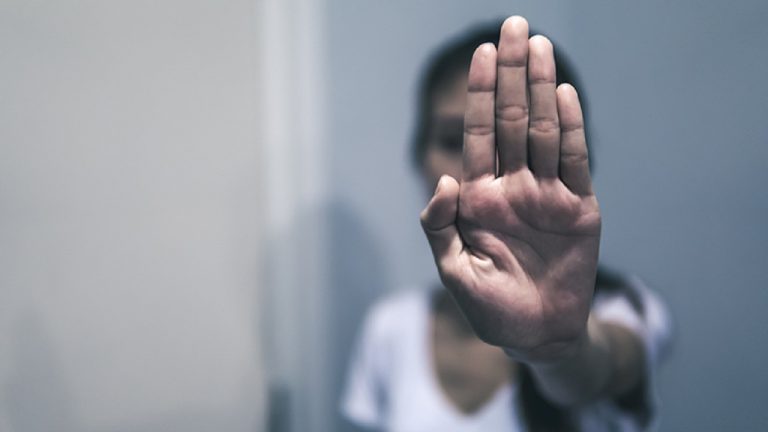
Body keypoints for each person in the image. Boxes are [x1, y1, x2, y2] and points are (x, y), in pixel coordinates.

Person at [341, 16, 671, 432]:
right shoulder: (390, 329)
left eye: (517, 145)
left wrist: (555, 348)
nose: (485, 173)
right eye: (452, 141)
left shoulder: (624, 307)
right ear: (418, 158)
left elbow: (601, 366)